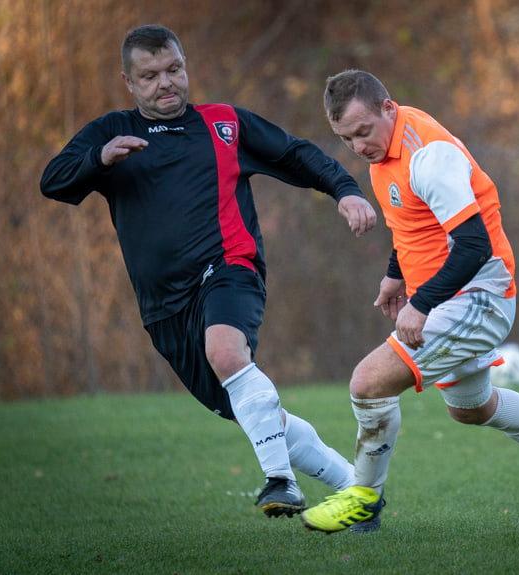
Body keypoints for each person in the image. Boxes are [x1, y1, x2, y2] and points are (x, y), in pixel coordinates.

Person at [40, 26, 378, 523]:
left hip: (229, 268)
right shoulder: (110, 131)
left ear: (185, 65)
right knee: (250, 410)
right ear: (129, 81)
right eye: (150, 75)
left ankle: (281, 482)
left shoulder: (224, 124)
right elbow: (53, 179)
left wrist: (345, 190)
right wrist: (98, 159)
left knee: (225, 349)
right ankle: (356, 488)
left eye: (174, 69)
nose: (166, 83)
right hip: (163, 306)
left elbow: (296, 154)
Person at [299, 69, 519, 533]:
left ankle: (363, 497)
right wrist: (394, 276)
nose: (359, 146)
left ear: (389, 107)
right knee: (469, 407)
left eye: (363, 132)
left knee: (368, 383)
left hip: (478, 297)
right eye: (346, 139)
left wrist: (421, 305)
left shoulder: (429, 156)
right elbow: (414, 224)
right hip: (453, 299)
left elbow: (472, 245)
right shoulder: (387, 149)